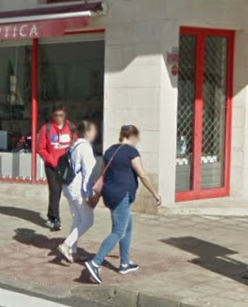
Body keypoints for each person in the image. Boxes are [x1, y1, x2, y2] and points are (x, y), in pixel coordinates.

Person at [83, 125, 160, 283]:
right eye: (137, 137)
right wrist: (154, 193)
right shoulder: (131, 152)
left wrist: (97, 196)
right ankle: (96, 262)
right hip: (121, 195)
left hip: (109, 194)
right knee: (118, 231)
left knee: (128, 227)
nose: (138, 140)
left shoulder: (109, 151)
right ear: (132, 136)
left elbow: (102, 174)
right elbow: (142, 175)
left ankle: (125, 263)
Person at [52, 120, 100, 265]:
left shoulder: (74, 146)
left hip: (69, 187)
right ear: (87, 132)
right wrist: (88, 193)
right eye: (93, 130)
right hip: (78, 189)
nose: (95, 133)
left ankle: (73, 252)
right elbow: (88, 173)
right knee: (88, 221)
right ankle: (66, 245)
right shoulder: (85, 147)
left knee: (77, 219)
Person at [35, 106, 76, 233]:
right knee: (55, 190)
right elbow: (40, 148)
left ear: (65, 115)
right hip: (51, 166)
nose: (58, 118)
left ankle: (51, 214)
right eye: (56, 115)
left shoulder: (71, 127)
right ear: (53, 116)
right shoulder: (46, 128)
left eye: (61, 115)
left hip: (66, 165)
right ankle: (55, 219)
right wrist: (51, 160)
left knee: (66, 190)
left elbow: (76, 144)